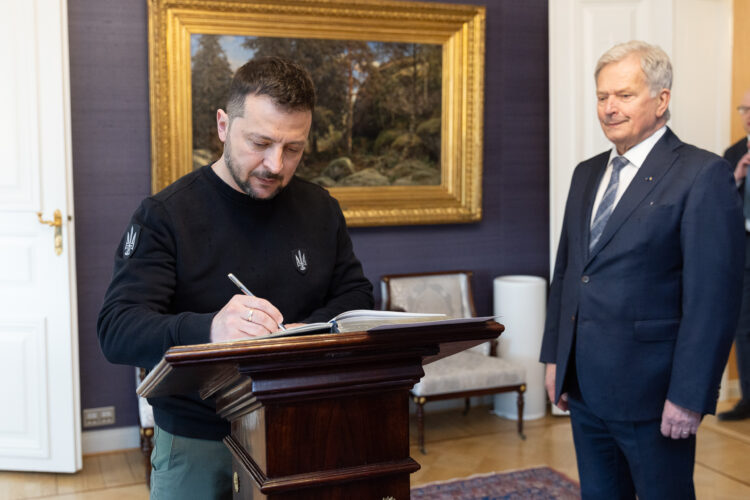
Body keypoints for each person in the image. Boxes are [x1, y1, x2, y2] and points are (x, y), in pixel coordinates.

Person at [97, 56, 374, 499]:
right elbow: (116, 329)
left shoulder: (321, 209)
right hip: (198, 433)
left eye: (293, 149)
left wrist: (310, 331)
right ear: (224, 126)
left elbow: (356, 293)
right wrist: (210, 328)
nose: (275, 165)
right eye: (259, 142)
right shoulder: (165, 215)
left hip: (304, 421)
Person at [540, 41, 744, 499]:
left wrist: (690, 396)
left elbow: (712, 301)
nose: (609, 108)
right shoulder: (586, 173)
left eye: (624, 95)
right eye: (601, 97)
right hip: (586, 388)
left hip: (654, 395)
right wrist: (556, 357)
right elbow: (569, 272)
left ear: (661, 99)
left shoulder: (701, 174)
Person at [718, 89, 750, 421]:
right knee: (744, 329)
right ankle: (748, 399)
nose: (748, 115)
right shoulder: (733, 153)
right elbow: (717, 207)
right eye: (744, 108)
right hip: (743, 251)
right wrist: (736, 178)